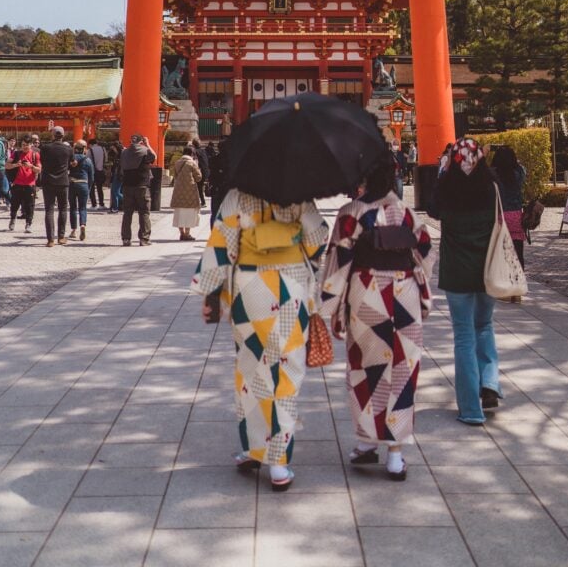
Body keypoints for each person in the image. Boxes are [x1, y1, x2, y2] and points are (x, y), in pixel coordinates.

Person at [191, 188, 328, 492]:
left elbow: (219, 244)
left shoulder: (238, 197)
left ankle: (254, 450)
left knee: (252, 369)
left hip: (249, 285)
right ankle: (278, 462)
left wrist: (212, 297)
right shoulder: (298, 194)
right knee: (287, 370)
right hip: (291, 283)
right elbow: (317, 239)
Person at [319, 149, 433, 481]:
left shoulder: (352, 213)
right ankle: (395, 453)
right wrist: (420, 294)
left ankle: (368, 442)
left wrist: (332, 307)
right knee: (402, 369)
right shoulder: (407, 213)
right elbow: (424, 252)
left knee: (366, 369)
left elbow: (338, 263)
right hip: (406, 293)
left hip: (367, 291)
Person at [432, 137, 502, 426]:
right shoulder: (491, 189)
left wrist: (445, 170)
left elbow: (432, 210)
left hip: (457, 272)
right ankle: (489, 384)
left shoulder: (446, 192)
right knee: (484, 326)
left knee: (463, 337)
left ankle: (471, 409)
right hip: (487, 269)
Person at [491, 145, 527, 271]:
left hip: (500, 217)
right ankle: (519, 277)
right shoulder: (519, 173)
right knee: (518, 252)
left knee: (500, 252)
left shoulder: (493, 174)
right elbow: (522, 169)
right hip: (516, 217)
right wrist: (514, 162)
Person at [120, 134, 156, 246]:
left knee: (127, 213)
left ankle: (126, 238)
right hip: (142, 186)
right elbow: (154, 156)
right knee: (144, 212)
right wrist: (148, 144)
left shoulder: (124, 152)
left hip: (127, 186)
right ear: (141, 141)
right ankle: (144, 239)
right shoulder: (145, 151)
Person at [40, 126, 72, 247]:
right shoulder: (68, 149)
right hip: (63, 181)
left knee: (49, 210)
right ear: (63, 135)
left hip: (48, 181)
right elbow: (72, 163)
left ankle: (50, 239)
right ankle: (61, 236)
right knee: (63, 209)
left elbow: (42, 161)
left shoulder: (46, 148)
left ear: (52, 135)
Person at [6, 135, 41, 233]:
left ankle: (28, 223)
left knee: (30, 205)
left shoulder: (35, 155)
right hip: (17, 183)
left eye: (27, 145)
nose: (25, 147)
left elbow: (39, 169)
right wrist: (15, 165)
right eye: (23, 145)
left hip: (30, 184)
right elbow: (6, 165)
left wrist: (30, 166)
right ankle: (12, 219)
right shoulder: (16, 154)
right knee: (14, 204)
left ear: (31, 145)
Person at [171, 145, 202, 240]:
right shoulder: (192, 163)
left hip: (178, 190)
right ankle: (187, 234)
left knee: (179, 212)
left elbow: (175, 176)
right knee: (189, 212)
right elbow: (198, 178)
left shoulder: (177, 163)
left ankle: (182, 233)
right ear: (192, 154)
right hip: (190, 191)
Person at [69, 140, 94, 241]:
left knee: (73, 208)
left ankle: (74, 230)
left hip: (72, 184)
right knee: (82, 208)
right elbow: (91, 176)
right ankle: (82, 225)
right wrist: (89, 187)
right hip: (83, 184)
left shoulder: (72, 159)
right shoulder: (88, 160)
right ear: (84, 149)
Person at [88, 138, 106, 209]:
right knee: (100, 188)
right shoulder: (103, 149)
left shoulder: (90, 150)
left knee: (91, 188)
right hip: (101, 170)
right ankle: (101, 204)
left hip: (93, 171)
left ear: (91, 144)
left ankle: (94, 204)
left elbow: (87, 160)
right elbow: (106, 158)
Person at [192, 138, 210, 207]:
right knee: (200, 186)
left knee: (198, 187)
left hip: (199, 171)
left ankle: (202, 202)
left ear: (193, 144)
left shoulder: (195, 152)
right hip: (206, 171)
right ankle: (201, 201)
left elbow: (195, 162)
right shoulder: (204, 151)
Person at [108, 141, 123, 213]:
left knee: (115, 192)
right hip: (118, 174)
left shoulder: (120, 155)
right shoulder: (120, 154)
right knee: (115, 191)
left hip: (118, 174)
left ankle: (129, 200)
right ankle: (115, 207)